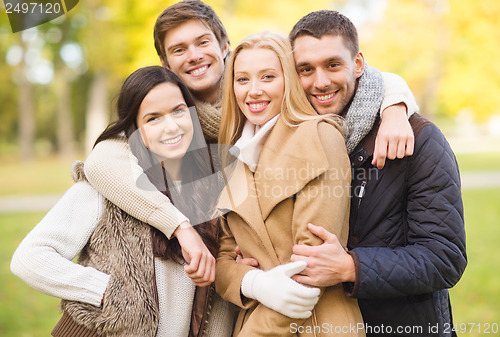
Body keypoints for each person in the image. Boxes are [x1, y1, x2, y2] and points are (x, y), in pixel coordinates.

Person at [82, 0, 420, 256]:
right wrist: (179, 227)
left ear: (224, 44)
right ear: (165, 63)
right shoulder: (170, 119)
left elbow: (348, 74)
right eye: (179, 50)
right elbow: (102, 161)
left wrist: (395, 105)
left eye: (202, 42)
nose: (194, 56)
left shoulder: (259, 94)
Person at [11, 66, 234, 337]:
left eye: (178, 111)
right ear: (135, 130)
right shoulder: (107, 187)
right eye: (153, 119)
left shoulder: (208, 191)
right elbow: (29, 258)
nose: (172, 126)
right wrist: (109, 293)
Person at [285, 10, 466, 337]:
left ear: (357, 64)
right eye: (306, 69)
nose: (320, 81)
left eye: (333, 65)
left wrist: (350, 267)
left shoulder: (417, 138)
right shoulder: (292, 140)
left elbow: (444, 258)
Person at [214, 30, 364, 337]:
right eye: (242, 79)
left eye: (267, 77)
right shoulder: (234, 157)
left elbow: (311, 267)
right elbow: (221, 260)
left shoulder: (318, 136)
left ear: (289, 81)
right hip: (258, 316)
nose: (253, 91)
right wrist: (252, 282)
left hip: (317, 323)